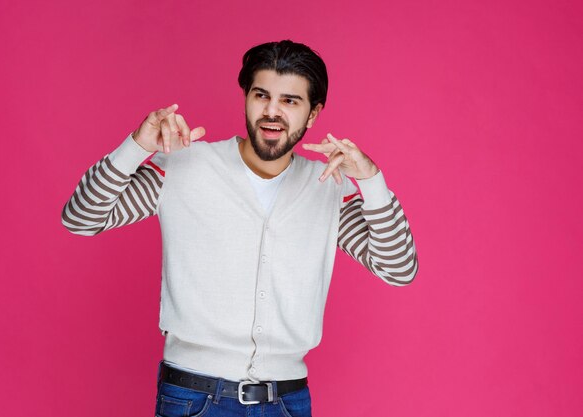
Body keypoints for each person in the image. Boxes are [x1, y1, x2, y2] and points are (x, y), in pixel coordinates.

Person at [62, 40, 418, 417]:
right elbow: (82, 218)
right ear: (246, 97)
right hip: (193, 396)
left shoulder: (328, 185)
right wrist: (136, 146)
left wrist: (372, 181)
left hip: (287, 401)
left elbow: (398, 269)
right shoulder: (186, 166)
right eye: (261, 95)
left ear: (313, 114)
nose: (272, 112)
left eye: (290, 101)